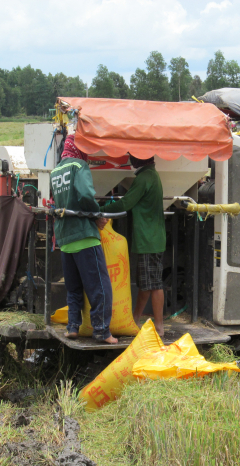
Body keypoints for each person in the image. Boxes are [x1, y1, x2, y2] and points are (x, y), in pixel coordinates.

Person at [50, 134, 117, 344]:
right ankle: (102, 331)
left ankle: (72, 327)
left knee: (73, 287)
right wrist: (97, 216)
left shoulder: (55, 171)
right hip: (84, 236)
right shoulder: (79, 166)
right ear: (80, 149)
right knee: (100, 286)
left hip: (65, 239)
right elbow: (87, 195)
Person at [99, 154, 166, 336]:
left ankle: (159, 326)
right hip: (153, 237)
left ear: (140, 159)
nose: (130, 160)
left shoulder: (144, 178)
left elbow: (126, 203)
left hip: (149, 239)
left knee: (155, 284)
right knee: (147, 282)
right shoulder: (152, 175)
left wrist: (100, 210)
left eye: (133, 156)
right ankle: (135, 318)